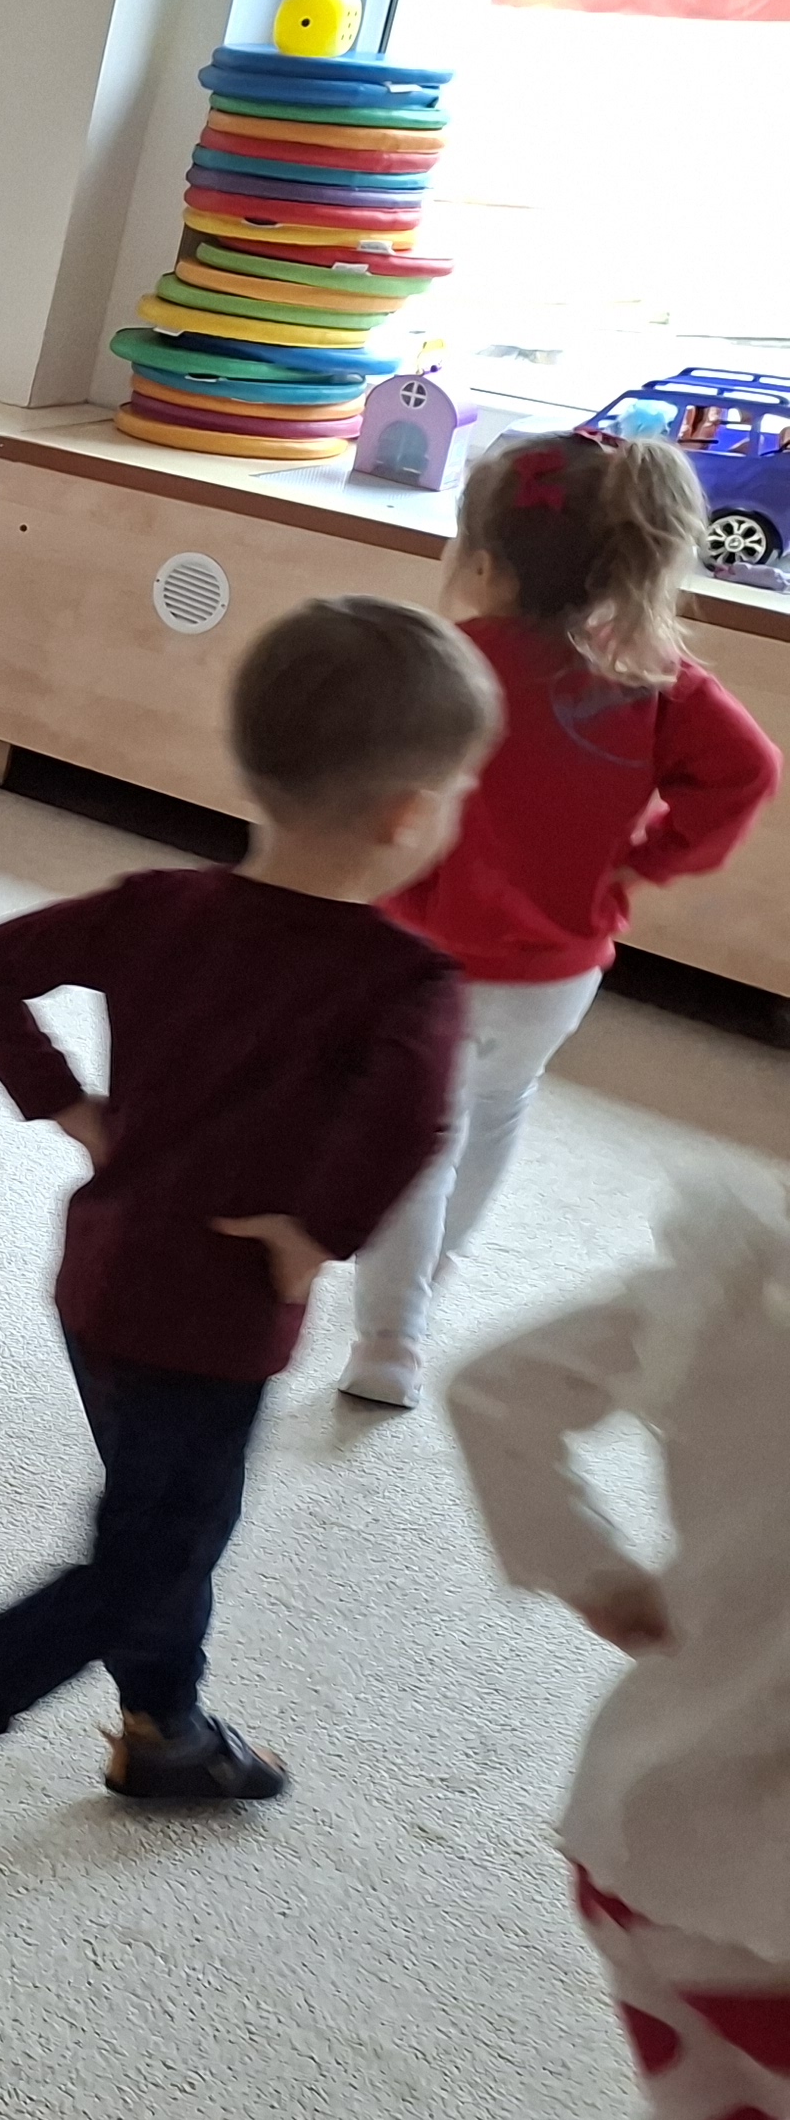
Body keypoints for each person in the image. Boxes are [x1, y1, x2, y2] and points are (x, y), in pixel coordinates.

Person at [0, 597, 495, 1898]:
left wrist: (69, 1107)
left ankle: (166, 1733)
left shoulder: (158, 906)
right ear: (409, 815)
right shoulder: (406, 982)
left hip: (103, 1278)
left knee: (164, 1516)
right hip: (216, 1315)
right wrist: (317, 1234)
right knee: (154, 1552)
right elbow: (419, 1119)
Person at [422, 1169, 790, 2120]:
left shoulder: (743, 1278)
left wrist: (585, 1564)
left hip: (644, 1829)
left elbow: (494, 1387)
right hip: (763, 1903)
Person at [342, 431, 780, 1410]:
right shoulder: (656, 681)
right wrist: (649, 858)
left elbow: (363, 773)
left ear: (484, 560)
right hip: (556, 971)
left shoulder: (444, 659)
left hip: (419, 959)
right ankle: (434, 1266)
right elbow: (748, 772)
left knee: (415, 1133)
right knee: (496, 1107)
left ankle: (389, 1338)